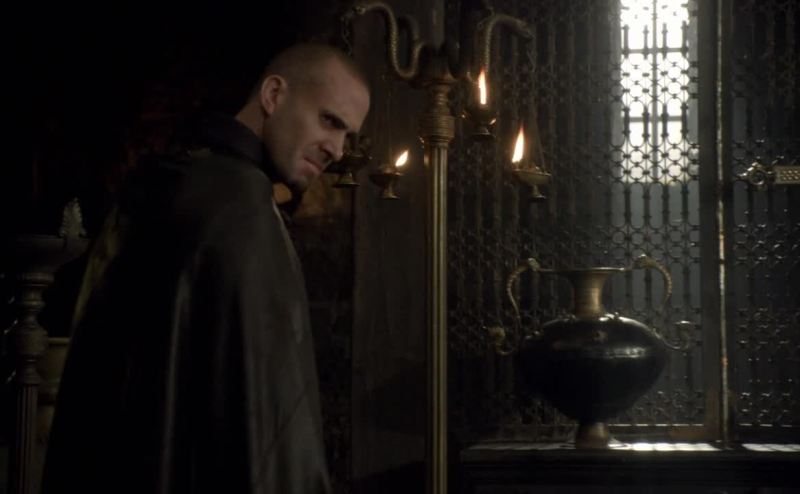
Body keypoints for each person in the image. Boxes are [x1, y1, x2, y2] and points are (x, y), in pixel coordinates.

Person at [42, 43, 370, 494]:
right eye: (329, 121)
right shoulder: (241, 207)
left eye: (348, 136)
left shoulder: (169, 182)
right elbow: (273, 430)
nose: (337, 149)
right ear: (273, 95)